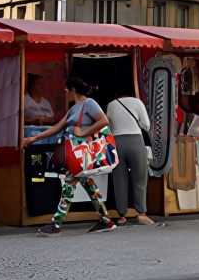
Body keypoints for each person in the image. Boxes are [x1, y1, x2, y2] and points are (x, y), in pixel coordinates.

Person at [21, 77, 117, 235]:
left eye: (67, 89)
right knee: (90, 186)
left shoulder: (89, 103)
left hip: (81, 153)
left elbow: (104, 121)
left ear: (73, 90)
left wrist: (83, 132)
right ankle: (106, 220)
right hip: (76, 154)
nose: (66, 92)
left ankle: (56, 223)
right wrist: (33, 139)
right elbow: (58, 127)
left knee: (68, 185)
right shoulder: (74, 108)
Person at [104, 90, 159, 227]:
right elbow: (146, 124)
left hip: (116, 142)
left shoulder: (111, 105)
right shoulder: (137, 102)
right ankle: (141, 213)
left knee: (119, 179)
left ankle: (121, 215)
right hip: (135, 141)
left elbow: (108, 126)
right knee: (139, 178)